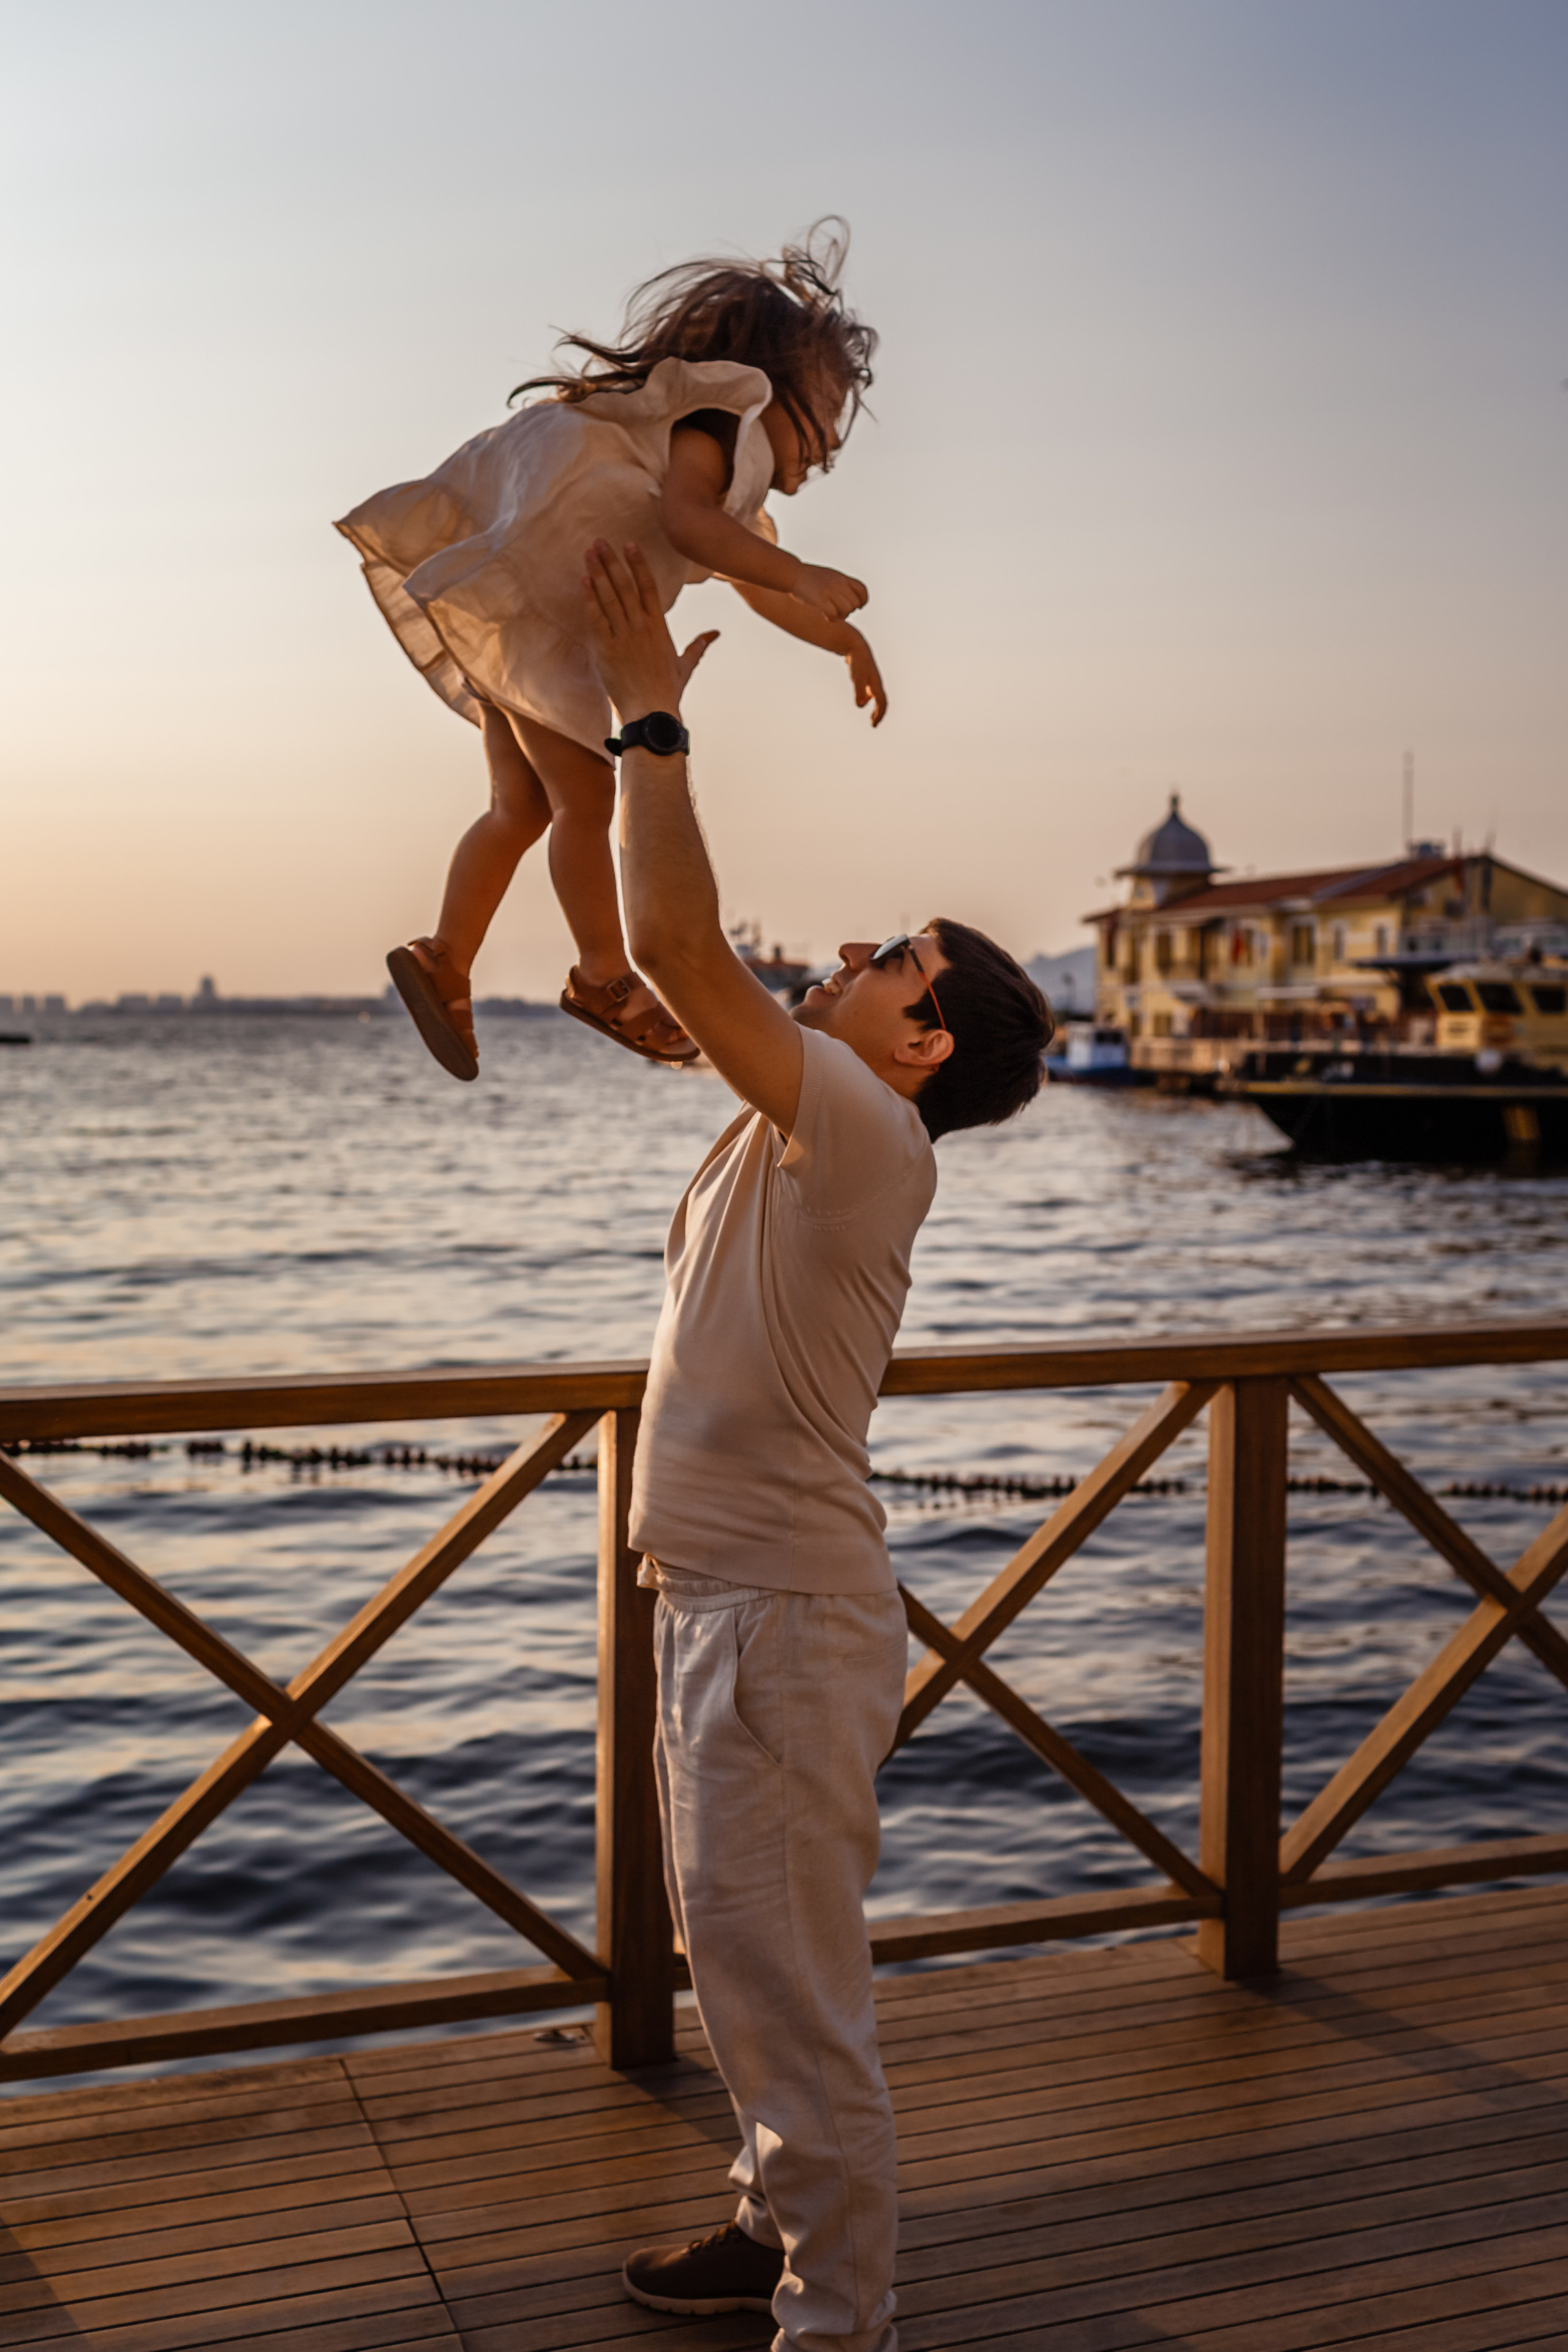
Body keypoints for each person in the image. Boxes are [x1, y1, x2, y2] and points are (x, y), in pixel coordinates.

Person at [579, 539, 1054, 2352]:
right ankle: (775, 2227)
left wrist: (650, 718)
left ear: (923, 1040)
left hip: (780, 1616)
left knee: (796, 1997)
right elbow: (685, 985)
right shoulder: (822, 1113)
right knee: (751, 1968)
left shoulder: (871, 1132)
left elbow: (680, 944)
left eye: (891, 960)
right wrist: (662, 1008)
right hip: (738, 1601)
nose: (852, 955)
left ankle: (836, 2317)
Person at [335, 222, 884, 1082]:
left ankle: (446, 957)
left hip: (515, 610)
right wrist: (802, 571)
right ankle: (602, 975)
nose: (831, 445)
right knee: (587, 794)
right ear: (777, 382)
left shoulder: (718, 454)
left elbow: (748, 578)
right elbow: (689, 525)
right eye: (830, 412)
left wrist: (839, 638)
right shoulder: (724, 413)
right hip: (550, 621)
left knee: (519, 808)